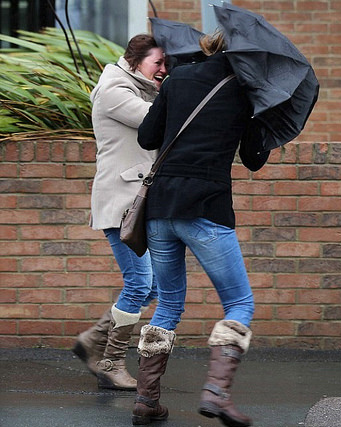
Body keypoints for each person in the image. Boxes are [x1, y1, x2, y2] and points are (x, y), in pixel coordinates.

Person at [131, 32, 269, 426]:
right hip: (206, 208)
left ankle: (146, 398)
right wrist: (263, 118)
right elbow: (254, 160)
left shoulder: (178, 78)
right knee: (239, 303)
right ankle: (216, 392)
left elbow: (146, 136)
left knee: (169, 304)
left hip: (161, 207)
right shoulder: (248, 91)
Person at [72, 34, 167, 390]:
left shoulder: (142, 89)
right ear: (134, 60)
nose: (163, 69)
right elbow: (152, 122)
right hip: (120, 202)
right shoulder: (114, 90)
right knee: (139, 283)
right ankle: (110, 362)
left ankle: (93, 341)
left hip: (137, 203)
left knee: (154, 284)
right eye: (157, 62)